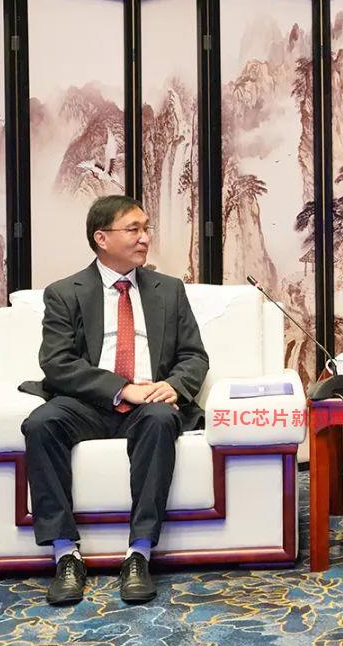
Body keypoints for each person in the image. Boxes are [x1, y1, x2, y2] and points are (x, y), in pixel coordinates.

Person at [19, 195, 209, 605]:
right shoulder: (64, 293)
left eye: (146, 228)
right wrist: (121, 389)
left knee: (161, 419)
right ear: (101, 238)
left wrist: (175, 385)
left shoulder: (169, 290)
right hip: (88, 403)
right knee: (41, 423)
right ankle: (65, 554)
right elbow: (56, 363)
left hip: (150, 402)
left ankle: (139, 553)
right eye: (133, 229)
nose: (145, 238)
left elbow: (194, 356)